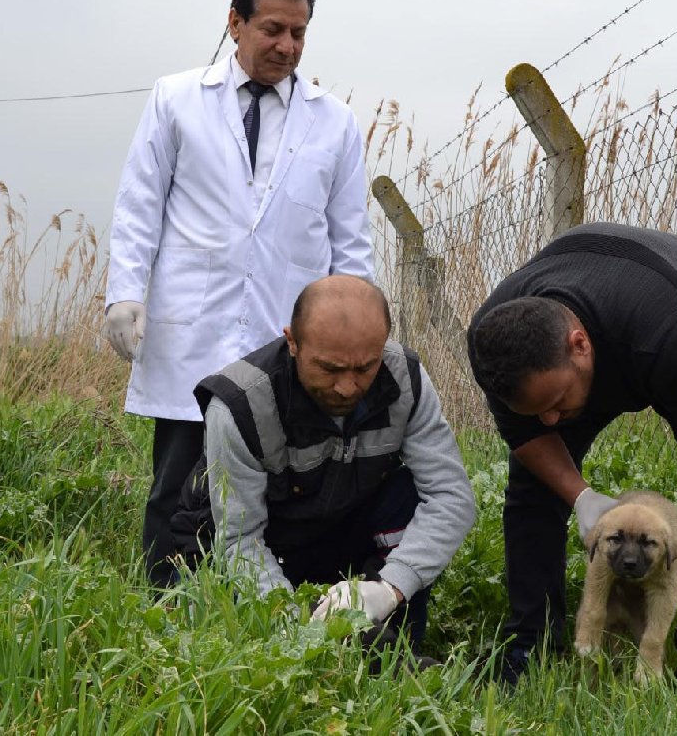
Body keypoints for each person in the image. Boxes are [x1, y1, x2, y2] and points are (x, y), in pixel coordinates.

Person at [106, 0, 373, 586]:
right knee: (179, 480)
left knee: (281, 478)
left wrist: (358, 331)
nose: (286, 46)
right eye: (272, 29)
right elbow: (140, 204)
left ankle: (265, 609)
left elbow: (350, 240)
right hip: (191, 324)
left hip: (284, 330)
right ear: (235, 23)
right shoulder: (176, 100)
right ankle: (164, 605)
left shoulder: (333, 121)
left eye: (298, 33)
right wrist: (124, 293)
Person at [467, 222, 677, 697]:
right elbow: (529, 437)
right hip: (603, 325)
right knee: (531, 488)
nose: (551, 418)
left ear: (579, 345)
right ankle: (529, 647)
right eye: (536, 409)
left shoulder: (668, 336)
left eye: (557, 400)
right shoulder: (493, 344)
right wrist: (580, 496)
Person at [170, 275, 476, 652]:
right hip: (244, 544)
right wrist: (296, 624)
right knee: (238, 639)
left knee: (409, 493)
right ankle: (367, 653)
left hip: (339, 527)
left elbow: (451, 497)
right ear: (292, 341)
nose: (347, 387)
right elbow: (239, 539)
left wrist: (390, 587)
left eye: (365, 368)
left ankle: (397, 643)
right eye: (329, 369)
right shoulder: (240, 405)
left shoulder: (406, 379)